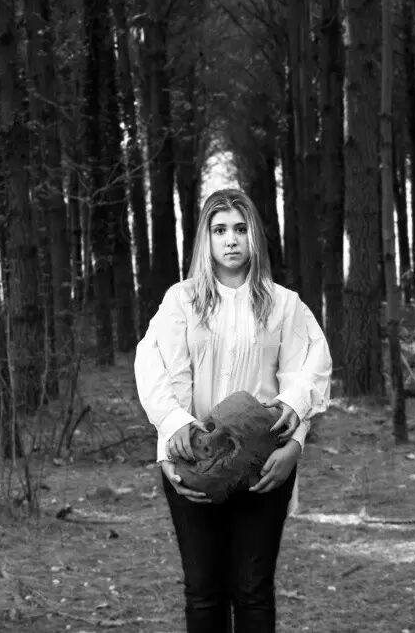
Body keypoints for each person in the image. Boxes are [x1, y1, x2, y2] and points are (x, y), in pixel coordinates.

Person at [134, 187, 332, 633]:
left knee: (253, 589)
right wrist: (170, 443)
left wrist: (294, 447)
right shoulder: (181, 301)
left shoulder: (284, 304)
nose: (231, 240)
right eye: (219, 230)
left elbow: (310, 370)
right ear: (205, 239)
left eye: (240, 229)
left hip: (265, 464)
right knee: (204, 590)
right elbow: (155, 368)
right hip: (195, 458)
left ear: (254, 236)